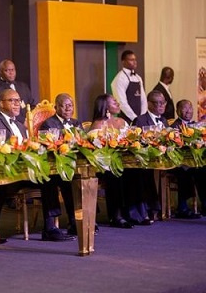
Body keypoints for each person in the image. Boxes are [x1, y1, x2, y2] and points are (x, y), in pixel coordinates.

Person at [0, 89, 75, 242]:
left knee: (50, 176)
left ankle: (50, 227)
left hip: (25, 172)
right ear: (1, 104)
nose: (17, 104)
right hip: (7, 173)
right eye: (12, 100)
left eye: (18, 100)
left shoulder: (20, 126)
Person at [38, 93, 80, 235]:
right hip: (53, 165)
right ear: (56, 107)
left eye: (71, 105)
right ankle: (50, 226)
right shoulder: (49, 123)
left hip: (72, 166)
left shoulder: (76, 123)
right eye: (65, 105)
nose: (69, 108)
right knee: (55, 181)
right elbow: (47, 146)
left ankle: (76, 221)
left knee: (79, 181)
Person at [89, 94, 133, 229]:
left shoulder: (121, 122)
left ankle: (133, 212)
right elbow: (94, 148)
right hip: (102, 164)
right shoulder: (98, 124)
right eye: (114, 102)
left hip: (123, 160)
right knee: (115, 173)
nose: (118, 104)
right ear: (106, 107)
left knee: (134, 171)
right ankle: (116, 215)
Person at [129, 90, 168, 225]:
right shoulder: (140, 120)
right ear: (149, 104)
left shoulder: (164, 120)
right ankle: (147, 210)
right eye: (157, 103)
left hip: (162, 158)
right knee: (145, 173)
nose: (161, 106)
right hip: (143, 159)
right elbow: (135, 141)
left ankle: (158, 209)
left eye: (163, 103)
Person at [169, 100, 202, 219]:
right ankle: (182, 208)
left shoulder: (197, 126)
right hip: (177, 163)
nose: (188, 111)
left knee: (202, 171)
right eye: (185, 108)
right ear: (178, 111)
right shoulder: (174, 127)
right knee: (184, 172)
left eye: (190, 107)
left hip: (194, 162)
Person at [0, 59, 36, 124]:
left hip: (29, 125)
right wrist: (22, 122)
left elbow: (32, 105)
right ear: (0, 72)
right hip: (9, 125)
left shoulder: (23, 86)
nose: (11, 73)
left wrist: (31, 120)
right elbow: (1, 111)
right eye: (7, 70)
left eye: (12, 70)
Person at [111, 50, 147, 124]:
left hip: (139, 118)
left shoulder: (138, 77)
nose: (134, 62)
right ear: (123, 62)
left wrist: (142, 117)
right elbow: (121, 102)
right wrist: (135, 118)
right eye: (131, 60)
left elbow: (143, 99)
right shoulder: (120, 78)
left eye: (135, 59)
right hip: (126, 119)